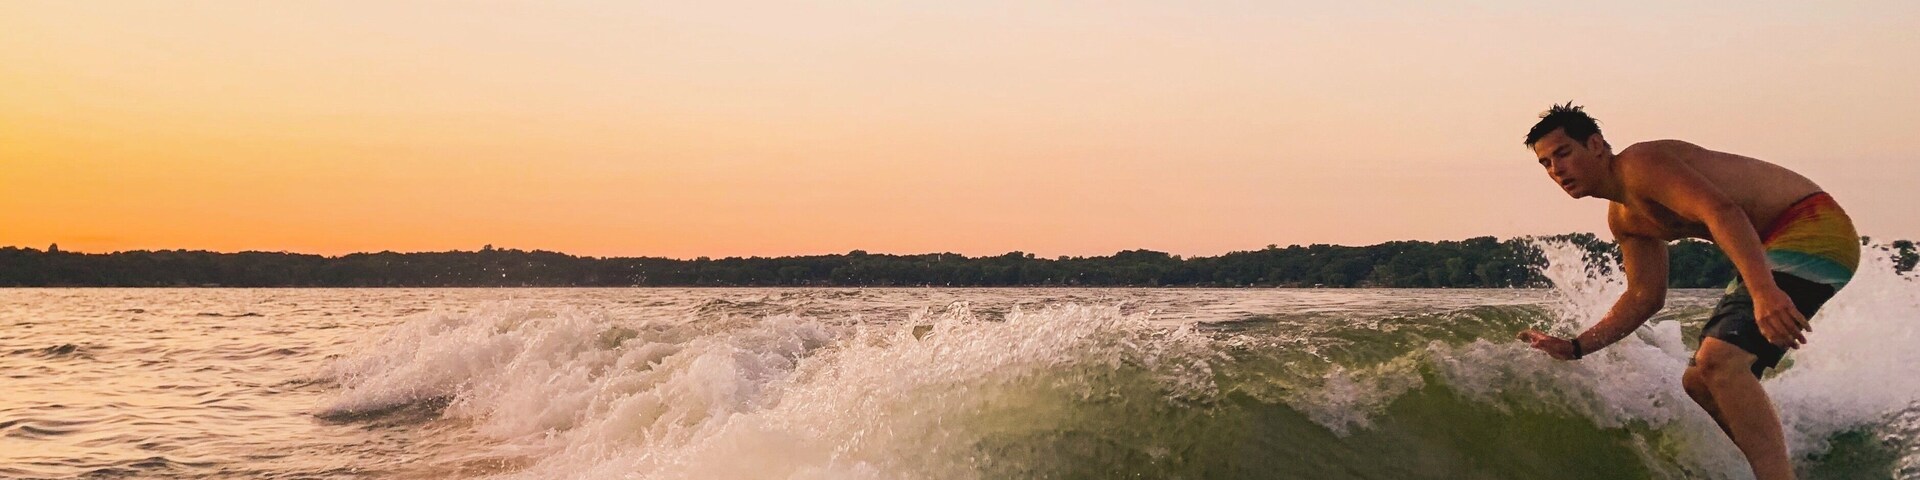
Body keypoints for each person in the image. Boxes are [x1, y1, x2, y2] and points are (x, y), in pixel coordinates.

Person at [1512, 103, 1859, 480]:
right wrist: (1577, 346)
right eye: (1546, 163)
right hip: (1773, 246)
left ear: (1595, 145)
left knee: (1719, 362)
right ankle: (1781, 469)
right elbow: (1644, 296)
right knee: (1699, 382)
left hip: (1809, 226)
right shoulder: (1624, 217)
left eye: (1563, 153)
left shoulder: (1641, 164)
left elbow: (1724, 211)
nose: (1556, 169)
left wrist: (1764, 292)